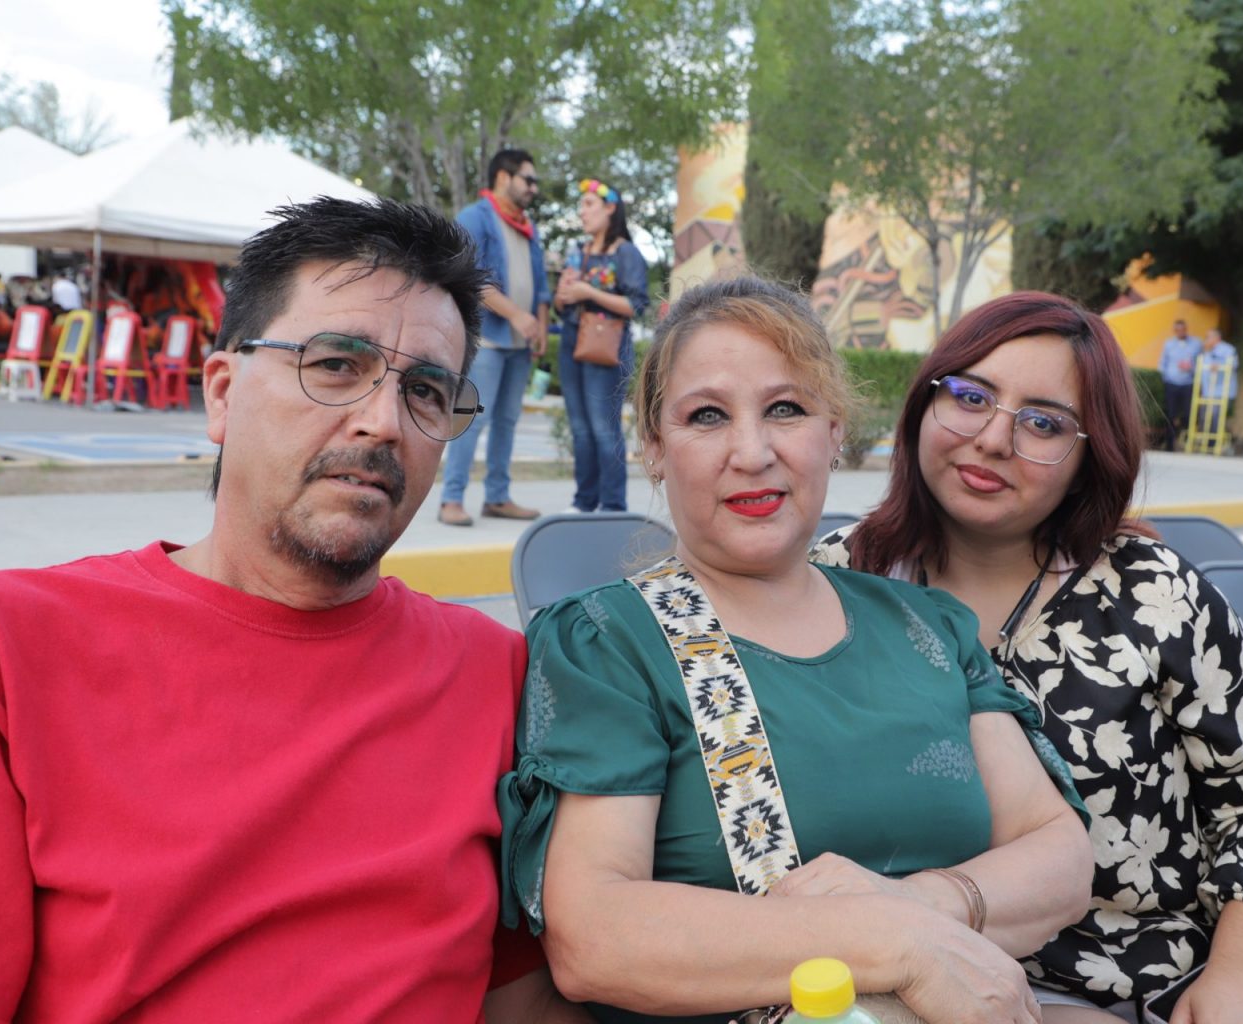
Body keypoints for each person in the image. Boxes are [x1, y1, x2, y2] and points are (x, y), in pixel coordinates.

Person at [0, 196, 584, 1024]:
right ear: (222, 392)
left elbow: (516, 996)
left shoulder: (497, 673)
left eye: (427, 391)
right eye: (336, 364)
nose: (384, 422)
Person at [500, 277, 1094, 1024]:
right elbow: (596, 937)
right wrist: (894, 941)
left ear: (835, 431)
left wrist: (925, 902)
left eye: (786, 409)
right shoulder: (610, 642)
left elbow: (1059, 854)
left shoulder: (927, 626)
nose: (752, 453)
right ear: (654, 447)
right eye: (707, 416)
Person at [813, 291, 1243, 1024]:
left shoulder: (1152, 592)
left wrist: (1239, 972)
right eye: (970, 397)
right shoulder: (836, 584)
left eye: (1044, 423)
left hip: (1195, 965)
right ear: (924, 403)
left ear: (1089, 457)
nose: (993, 439)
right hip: (957, 972)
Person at [440, 148, 551, 527]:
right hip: (487, 341)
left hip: (520, 345)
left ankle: (497, 497)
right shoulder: (475, 217)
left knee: (507, 421)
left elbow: (541, 284)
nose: (533, 187)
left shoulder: (527, 226)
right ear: (503, 177)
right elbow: (469, 277)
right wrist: (517, 315)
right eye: (528, 179)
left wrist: (540, 326)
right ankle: (451, 498)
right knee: (471, 419)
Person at [553, 177, 649, 513]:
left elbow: (637, 304)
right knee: (580, 429)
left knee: (604, 429)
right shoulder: (577, 252)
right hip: (571, 339)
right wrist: (564, 294)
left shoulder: (625, 252)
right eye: (581, 205)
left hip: (606, 344)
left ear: (610, 208)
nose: (582, 212)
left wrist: (588, 292)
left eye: (589, 205)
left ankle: (612, 504)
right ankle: (584, 501)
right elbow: (561, 304)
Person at [1157, 318, 1202, 450]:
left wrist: (1191, 368)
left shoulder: (1196, 343)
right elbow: (1163, 362)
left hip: (1188, 383)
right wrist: (1165, 377)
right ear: (1174, 331)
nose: (1180, 332)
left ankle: (1187, 442)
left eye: (1182, 329)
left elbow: (1201, 361)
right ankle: (1170, 445)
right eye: (1177, 330)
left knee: (1189, 414)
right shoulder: (1169, 344)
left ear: (1186, 329)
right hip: (1171, 383)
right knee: (1170, 414)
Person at [1195, 327, 1238, 436]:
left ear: (1217, 338)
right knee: (1203, 417)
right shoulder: (1205, 351)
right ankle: (1204, 442)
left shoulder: (1228, 349)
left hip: (1221, 392)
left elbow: (1233, 364)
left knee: (1215, 418)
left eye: (1208, 337)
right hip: (1207, 392)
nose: (1206, 339)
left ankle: (1213, 443)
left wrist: (1219, 366)